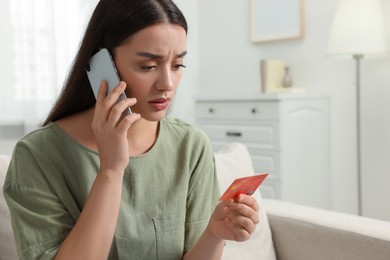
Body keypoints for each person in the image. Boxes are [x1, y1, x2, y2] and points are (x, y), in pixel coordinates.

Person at [3, 0, 260, 259]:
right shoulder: (36, 155)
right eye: (148, 66)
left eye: (177, 65)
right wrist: (111, 170)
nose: (167, 84)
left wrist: (214, 235)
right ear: (103, 64)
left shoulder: (191, 145)